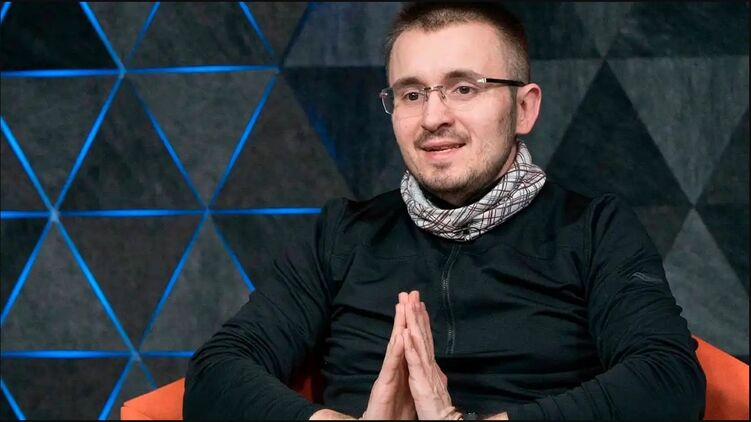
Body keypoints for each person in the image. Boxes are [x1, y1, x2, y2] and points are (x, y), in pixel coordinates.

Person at [183, 2, 706, 420]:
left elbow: (668, 380)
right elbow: (216, 373)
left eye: (464, 88)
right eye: (411, 94)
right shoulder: (343, 233)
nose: (434, 117)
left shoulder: (594, 228)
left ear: (524, 107)